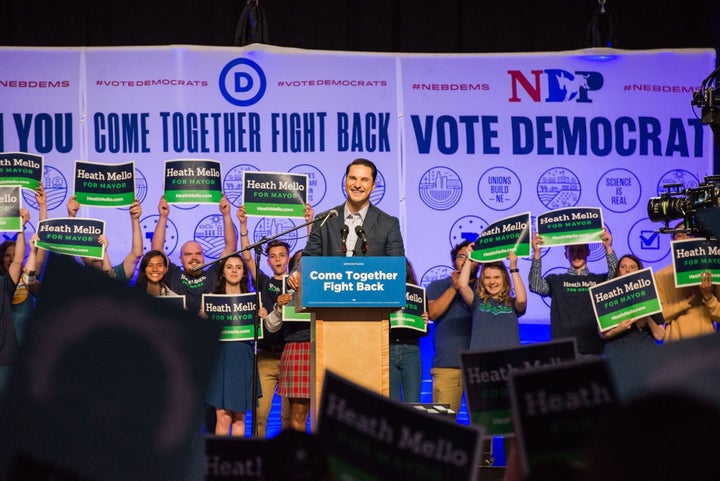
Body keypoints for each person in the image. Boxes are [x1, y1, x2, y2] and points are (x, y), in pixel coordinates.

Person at [236, 203, 314, 437]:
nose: (277, 260)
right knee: (260, 416)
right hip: (268, 357)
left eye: (282, 255)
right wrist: (242, 224)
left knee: (291, 418)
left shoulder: (302, 282)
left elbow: (312, 254)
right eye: (272, 256)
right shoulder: (263, 280)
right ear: (268, 260)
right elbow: (248, 256)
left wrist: (309, 223)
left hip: (294, 351)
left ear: (289, 257)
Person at [287, 157, 404, 290]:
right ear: (345, 182)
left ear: (373, 186)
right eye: (353, 178)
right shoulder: (324, 220)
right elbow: (308, 258)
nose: (357, 185)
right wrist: (296, 273)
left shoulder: (388, 224)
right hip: (328, 301)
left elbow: (398, 269)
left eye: (364, 180)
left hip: (371, 304)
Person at [528, 229, 616, 357]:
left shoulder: (599, 280)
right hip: (562, 350)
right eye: (572, 251)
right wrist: (536, 253)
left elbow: (616, 280)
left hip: (592, 350)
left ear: (588, 252)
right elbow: (535, 286)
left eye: (580, 249)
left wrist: (608, 247)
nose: (576, 254)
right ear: (566, 254)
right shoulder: (555, 280)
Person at [202, 254, 264, 437]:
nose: (234, 270)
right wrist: (203, 320)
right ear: (222, 272)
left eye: (238, 267)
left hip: (242, 356)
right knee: (223, 417)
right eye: (229, 267)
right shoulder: (212, 300)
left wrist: (263, 316)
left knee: (239, 417)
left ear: (244, 273)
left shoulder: (253, 300)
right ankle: (221, 461)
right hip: (220, 358)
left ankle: (237, 458)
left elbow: (263, 331)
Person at [150, 194, 237, 315]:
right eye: (188, 254)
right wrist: (163, 217)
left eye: (198, 254)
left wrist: (226, 215)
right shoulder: (173, 274)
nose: (194, 258)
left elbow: (230, 247)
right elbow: (156, 251)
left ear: (203, 256)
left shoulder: (213, 274)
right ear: (180, 259)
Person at [427, 240, 477, 417]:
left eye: (471, 256)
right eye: (462, 256)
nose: (466, 260)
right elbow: (432, 313)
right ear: (454, 261)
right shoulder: (438, 286)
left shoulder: (486, 286)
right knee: (442, 426)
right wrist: (454, 288)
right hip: (447, 368)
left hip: (479, 368)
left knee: (485, 426)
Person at [654, 226, 720, 342]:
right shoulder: (661, 276)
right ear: (673, 242)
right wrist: (684, 302)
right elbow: (660, 317)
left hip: (706, 345)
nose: (685, 237)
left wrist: (708, 297)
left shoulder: (713, 273)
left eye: (690, 234)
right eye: (680, 235)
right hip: (675, 346)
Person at [458, 246, 527, 351]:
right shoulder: (477, 301)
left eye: (496, 277)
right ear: (482, 280)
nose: (492, 282)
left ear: (504, 279)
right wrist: (469, 259)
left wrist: (513, 268)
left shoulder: (512, 303)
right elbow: (462, 285)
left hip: (509, 363)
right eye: (487, 278)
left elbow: (522, 300)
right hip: (481, 362)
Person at [67, 195, 144, 282]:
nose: (96, 253)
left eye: (99, 243)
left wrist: (135, 219)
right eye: (91, 246)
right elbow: (68, 254)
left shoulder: (118, 275)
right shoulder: (77, 278)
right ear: (81, 258)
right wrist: (71, 216)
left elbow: (137, 253)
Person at [601, 254, 665, 352]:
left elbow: (660, 336)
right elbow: (602, 334)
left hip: (645, 353)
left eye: (632, 267)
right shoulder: (607, 296)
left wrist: (645, 315)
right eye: (623, 267)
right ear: (618, 271)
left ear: (639, 271)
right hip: (616, 353)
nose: (627, 270)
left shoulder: (649, 296)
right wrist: (618, 329)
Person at [389, 259, 428, 403]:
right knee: (389, 403)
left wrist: (424, 322)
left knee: (412, 402)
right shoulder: (382, 292)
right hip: (388, 349)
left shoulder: (418, 294)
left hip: (411, 350)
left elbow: (424, 332)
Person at [0, 208, 30, 393]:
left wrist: (20, 228)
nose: (10, 259)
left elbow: (18, 261)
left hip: (5, 361)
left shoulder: (4, 284)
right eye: (6, 255)